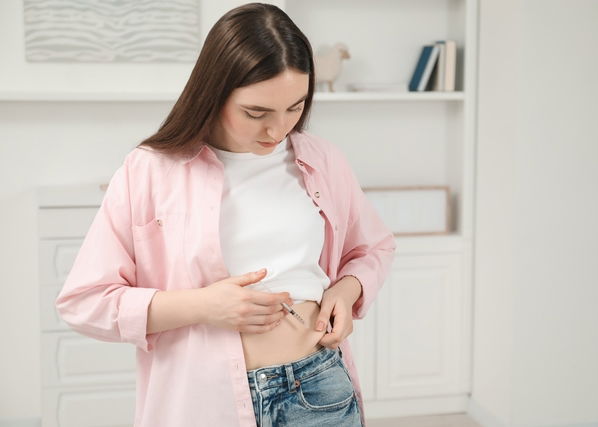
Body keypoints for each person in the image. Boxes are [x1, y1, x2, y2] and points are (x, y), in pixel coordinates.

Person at [55, 3, 395, 427]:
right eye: (257, 113)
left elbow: (374, 247)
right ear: (214, 92)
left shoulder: (322, 160)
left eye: (295, 107)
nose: (278, 131)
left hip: (319, 388)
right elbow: (85, 301)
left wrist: (346, 291)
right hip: (202, 404)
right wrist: (202, 306)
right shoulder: (150, 170)